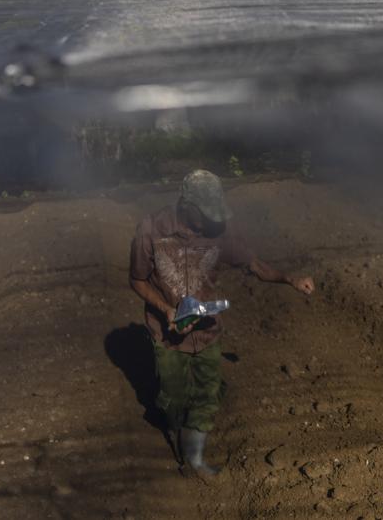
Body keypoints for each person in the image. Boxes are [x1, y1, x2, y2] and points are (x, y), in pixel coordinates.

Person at [129, 169, 314, 477]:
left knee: (207, 395)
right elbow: (136, 280)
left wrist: (289, 279)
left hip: (206, 331)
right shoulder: (151, 230)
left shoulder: (220, 230)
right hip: (166, 332)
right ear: (186, 206)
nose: (212, 222)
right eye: (205, 215)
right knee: (172, 400)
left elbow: (253, 264)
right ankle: (174, 422)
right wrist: (165, 309)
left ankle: (196, 459)